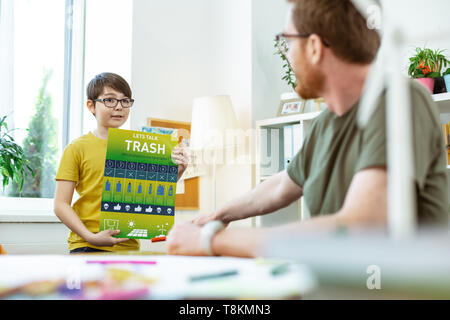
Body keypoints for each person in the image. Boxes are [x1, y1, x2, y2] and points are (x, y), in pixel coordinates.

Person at [167, 0, 448, 258]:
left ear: (313, 47)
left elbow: (362, 225)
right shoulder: (325, 123)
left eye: (286, 41)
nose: (287, 54)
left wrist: (210, 242)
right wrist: (219, 215)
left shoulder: (399, 100)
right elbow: (280, 185)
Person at [54, 72, 188, 254]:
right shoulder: (77, 148)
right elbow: (60, 205)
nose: (119, 107)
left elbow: (148, 194)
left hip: (129, 246)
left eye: (125, 101)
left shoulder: (140, 147)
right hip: (88, 244)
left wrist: (177, 172)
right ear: (91, 106)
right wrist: (91, 237)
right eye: (110, 100)